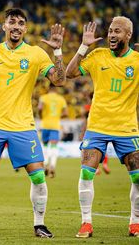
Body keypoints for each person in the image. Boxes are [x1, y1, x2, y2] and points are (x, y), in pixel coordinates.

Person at [0, 8, 66, 240]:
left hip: (23, 125)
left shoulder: (36, 53)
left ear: (26, 28)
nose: (16, 26)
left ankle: (39, 224)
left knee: (38, 175)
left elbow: (59, 80)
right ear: (4, 26)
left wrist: (57, 50)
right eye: (12, 22)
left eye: (21, 23)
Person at [66, 17, 139, 239]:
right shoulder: (98, 55)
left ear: (128, 35)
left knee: (137, 177)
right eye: (109, 31)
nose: (112, 35)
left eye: (117, 31)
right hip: (97, 125)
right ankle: (86, 222)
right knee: (87, 172)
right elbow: (70, 73)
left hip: (126, 127)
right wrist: (83, 46)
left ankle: (135, 222)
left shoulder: (137, 60)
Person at [38, 84, 68, 178]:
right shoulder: (61, 99)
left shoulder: (44, 97)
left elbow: (39, 108)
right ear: (56, 89)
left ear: (49, 89)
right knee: (54, 146)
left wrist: (41, 116)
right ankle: (52, 166)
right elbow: (66, 113)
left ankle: (45, 164)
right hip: (55, 125)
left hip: (45, 125)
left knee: (45, 145)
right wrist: (58, 116)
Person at [80, 97, 111, 175]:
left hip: (90, 131)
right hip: (101, 129)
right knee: (102, 149)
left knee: (87, 150)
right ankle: (105, 164)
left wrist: (83, 132)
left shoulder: (88, 107)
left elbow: (84, 119)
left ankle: (96, 168)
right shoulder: (101, 106)